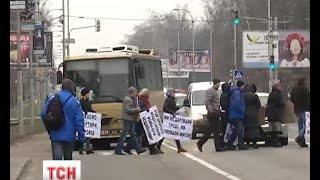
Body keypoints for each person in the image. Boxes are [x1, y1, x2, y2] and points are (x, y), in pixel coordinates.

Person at [40, 79, 85, 160]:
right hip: (69, 136)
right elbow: (79, 121)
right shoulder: (74, 101)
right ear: (71, 88)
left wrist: (49, 129)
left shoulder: (53, 98)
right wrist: (81, 138)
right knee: (68, 160)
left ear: (62, 87)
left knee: (57, 160)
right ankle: (67, 172)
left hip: (55, 134)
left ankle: (57, 172)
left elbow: (43, 113)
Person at [115, 87, 146, 155]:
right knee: (124, 135)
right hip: (127, 119)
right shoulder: (128, 99)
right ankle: (118, 149)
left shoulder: (133, 99)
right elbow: (127, 110)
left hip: (131, 119)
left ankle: (138, 149)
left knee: (133, 135)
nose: (136, 94)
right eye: (135, 92)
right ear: (131, 93)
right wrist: (137, 109)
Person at [197, 78, 226, 152]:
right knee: (214, 130)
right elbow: (207, 101)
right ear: (215, 83)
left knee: (213, 130)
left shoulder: (214, 91)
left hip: (216, 112)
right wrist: (211, 110)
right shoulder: (210, 91)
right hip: (213, 113)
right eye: (218, 83)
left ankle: (203, 143)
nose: (219, 85)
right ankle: (203, 143)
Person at [133, 88, 163, 155]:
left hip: (145, 121)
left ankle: (152, 149)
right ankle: (152, 149)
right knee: (148, 135)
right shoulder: (141, 101)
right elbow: (139, 110)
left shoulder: (144, 100)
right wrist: (146, 110)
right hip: (142, 122)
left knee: (149, 135)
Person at [157, 88, 187, 153]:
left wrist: (179, 107)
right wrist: (172, 112)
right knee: (166, 133)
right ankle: (158, 146)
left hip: (172, 118)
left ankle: (179, 147)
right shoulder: (168, 100)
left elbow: (173, 108)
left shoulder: (172, 100)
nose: (174, 94)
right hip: (168, 119)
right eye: (173, 93)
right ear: (170, 94)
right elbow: (165, 108)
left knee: (175, 132)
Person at [225, 80, 249, 150]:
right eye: (243, 86)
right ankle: (229, 144)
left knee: (240, 130)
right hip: (236, 114)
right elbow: (237, 104)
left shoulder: (237, 92)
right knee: (237, 130)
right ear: (241, 86)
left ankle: (240, 144)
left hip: (237, 114)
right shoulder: (237, 93)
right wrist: (242, 110)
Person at [290, 78, 310, 148]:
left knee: (300, 126)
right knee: (307, 125)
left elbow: (291, 99)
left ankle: (302, 142)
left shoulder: (294, 89)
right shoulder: (305, 89)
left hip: (296, 109)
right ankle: (299, 137)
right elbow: (308, 100)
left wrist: (296, 104)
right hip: (304, 109)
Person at [267, 82, 285, 147]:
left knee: (272, 129)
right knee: (277, 129)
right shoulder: (278, 95)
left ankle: (273, 141)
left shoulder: (271, 94)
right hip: (276, 113)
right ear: (277, 87)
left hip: (270, 114)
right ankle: (276, 142)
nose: (281, 87)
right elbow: (281, 103)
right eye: (279, 86)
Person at [243, 84, 261, 149]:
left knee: (246, 127)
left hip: (245, 112)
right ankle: (254, 142)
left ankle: (247, 142)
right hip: (253, 113)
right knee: (254, 128)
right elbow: (259, 105)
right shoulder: (255, 96)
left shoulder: (243, 95)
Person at [78, 88, 95, 155]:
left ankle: (88, 149)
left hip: (88, 119)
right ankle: (81, 148)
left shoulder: (88, 101)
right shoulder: (81, 102)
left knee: (88, 135)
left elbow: (90, 109)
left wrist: (94, 113)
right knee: (82, 135)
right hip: (83, 119)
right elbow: (81, 109)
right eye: (88, 94)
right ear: (85, 94)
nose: (89, 95)